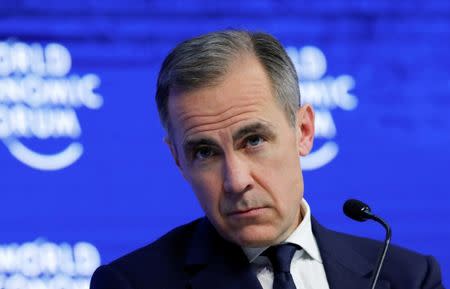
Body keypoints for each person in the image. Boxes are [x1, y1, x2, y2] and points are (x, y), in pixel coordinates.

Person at [90, 30, 444, 289]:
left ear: (303, 131)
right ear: (178, 160)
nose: (235, 180)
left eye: (254, 140)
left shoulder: (407, 277)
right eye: (205, 152)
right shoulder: (132, 284)